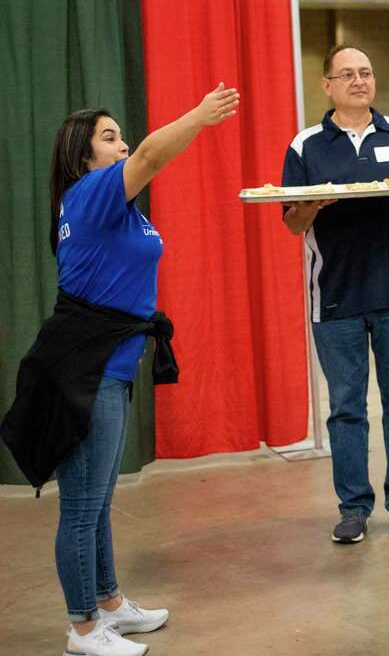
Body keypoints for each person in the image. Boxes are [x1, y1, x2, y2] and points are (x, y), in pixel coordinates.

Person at [1, 85, 239, 656]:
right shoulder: (90, 193)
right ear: (83, 156)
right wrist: (199, 116)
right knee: (82, 506)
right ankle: (82, 629)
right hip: (85, 372)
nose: (124, 144)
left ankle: (108, 603)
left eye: (121, 136)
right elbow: (152, 156)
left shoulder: (111, 206)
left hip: (108, 366)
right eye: (110, 138)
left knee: (99, 499)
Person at [281, 44, 389, 545]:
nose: (359, 81)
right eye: (347, 74)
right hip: (334, 296)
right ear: (327, 85)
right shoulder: (305, 145)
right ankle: (353, 506)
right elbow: (291, 222)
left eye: (367, 73)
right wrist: (310, 205)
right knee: (346, 406)